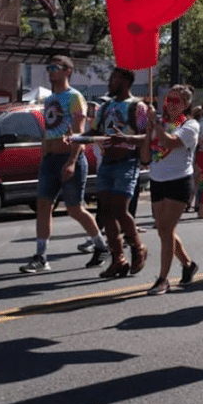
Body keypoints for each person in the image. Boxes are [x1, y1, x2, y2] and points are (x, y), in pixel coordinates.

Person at [19, 55, 107, 273]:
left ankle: (101, 246)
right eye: (48, 68)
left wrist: (72, 161)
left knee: (75, 208)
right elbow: (48, 130)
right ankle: (40, 256)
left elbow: (80, 133)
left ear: (67, 71)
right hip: (50, 160)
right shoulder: (49, 99)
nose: (50, 72)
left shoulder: (74, 97)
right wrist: (43, 153)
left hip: (69, 160)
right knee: (43, 206)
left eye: (54, 68)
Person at [89, 66, 149, 278]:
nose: (110, 82)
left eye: (114, 78)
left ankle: (138, 248)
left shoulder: (137, 107)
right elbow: (93, 131)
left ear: (125, 81)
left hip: (127, 161)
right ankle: (118, 259)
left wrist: (126, 139)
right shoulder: (105, 107)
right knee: (105, 212)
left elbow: (148, 137)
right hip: (107, 162)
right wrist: (75, 137)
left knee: (120, 210)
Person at [144, 84, 200, 295]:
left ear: (186, 105)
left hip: (178, 181)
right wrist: (149, 131)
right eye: (168, 100)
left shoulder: (190, 125)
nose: (170, 104)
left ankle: (163, 279)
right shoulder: (161, 123)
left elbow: (170, 141)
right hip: (157, 179)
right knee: (162, 230)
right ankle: (187, 264)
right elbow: (145, 156)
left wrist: (156, 125)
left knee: (166, 230)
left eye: (176, 101)